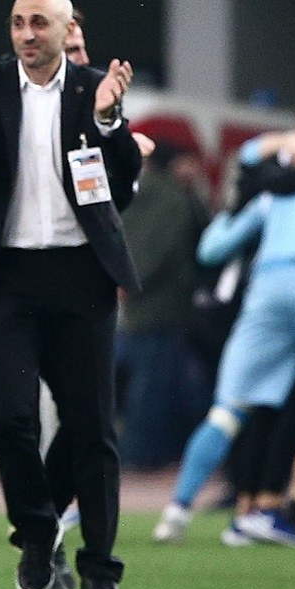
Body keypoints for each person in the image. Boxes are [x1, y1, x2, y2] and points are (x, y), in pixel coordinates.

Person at [0, 0, 141, 589]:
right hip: (6, 277)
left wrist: (110, 122)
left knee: (92, 427)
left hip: (81, 275)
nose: (27, 34)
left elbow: (123, 181)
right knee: (9, 418)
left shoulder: (95, 89)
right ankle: (38, 536)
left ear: (67, 31)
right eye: (18, 23)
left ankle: (100, 569)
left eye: (39, 23)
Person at [155, 121, 295, 549]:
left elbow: (211, 247)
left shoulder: (277, 194)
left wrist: (277, 146)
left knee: (228, 410)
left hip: (269, 289)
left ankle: (176, 512)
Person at [114, 138, 211, 470]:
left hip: (136, 308)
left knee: (139, 383)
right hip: (162, 307)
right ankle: (141, 453)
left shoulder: (137, 190)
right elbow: (165, 246)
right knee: (152, 386)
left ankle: (137, 450)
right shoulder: (172, 197)